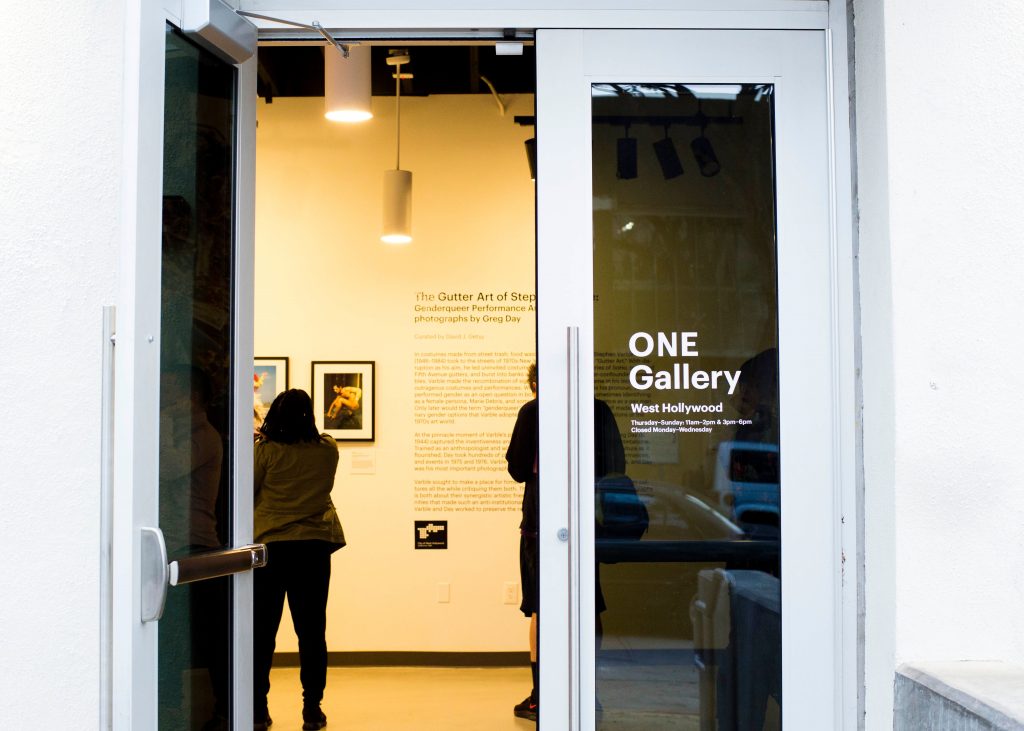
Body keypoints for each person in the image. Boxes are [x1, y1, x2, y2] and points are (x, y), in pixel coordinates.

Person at [253, 389, 346, 731]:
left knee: (263, 633)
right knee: (311, 632)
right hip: (314, 548)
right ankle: (312, 709)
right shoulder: (327, 449)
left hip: (271, 548)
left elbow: (249, 489)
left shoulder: (265, 452)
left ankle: (258, 708)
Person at [506, 363, 540, 722]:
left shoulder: (532, 410)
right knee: (589, 603)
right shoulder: (596, 409)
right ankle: (588, 689)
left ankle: (540, 696)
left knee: (539, 606)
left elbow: (516, 469)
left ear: (534, 382)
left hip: (539, 520)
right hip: (584, 517)